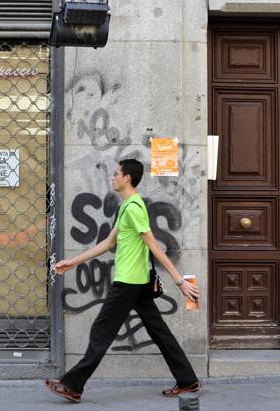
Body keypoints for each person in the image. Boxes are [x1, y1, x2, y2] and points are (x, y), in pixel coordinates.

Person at [45, 158, 201, 403]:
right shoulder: (127, 207)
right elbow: (109, 243)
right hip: (136, 283)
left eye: (116, 173)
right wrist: (73, 261)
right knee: (159, 332)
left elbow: (155, 246)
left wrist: (179, 281)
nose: (112, 177)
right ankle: (188, 380)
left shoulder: (135, 208)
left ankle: (73, 385)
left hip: (128, 282)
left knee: (101, 332)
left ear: (127, 178)